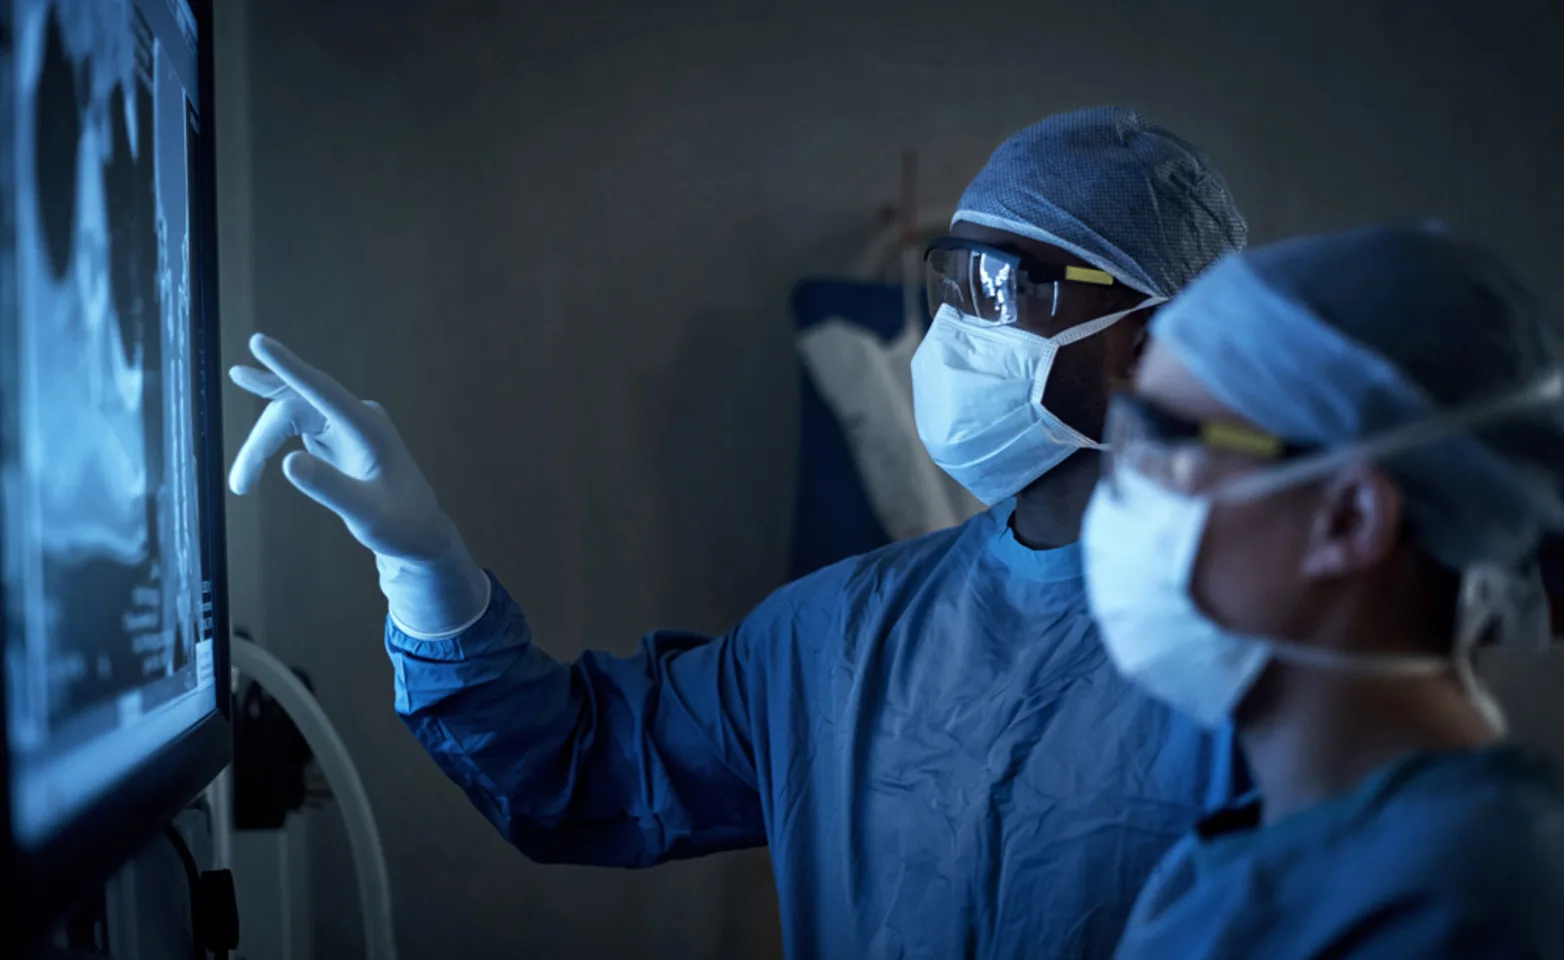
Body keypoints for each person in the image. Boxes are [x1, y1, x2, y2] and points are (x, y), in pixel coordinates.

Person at [228, 107, 1250, 957]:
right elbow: (578, 769)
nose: (954, 337)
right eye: (950, 286)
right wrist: (424, 568)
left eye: (999, 292)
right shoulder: (846, 632)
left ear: (1147, 344)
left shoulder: (1277, 655)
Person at [1081, 222, 1564, 958]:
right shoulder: (1249, 851)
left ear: (1348, 517)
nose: (1122, 495)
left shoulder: (1467, 896)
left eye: (1166, 447)